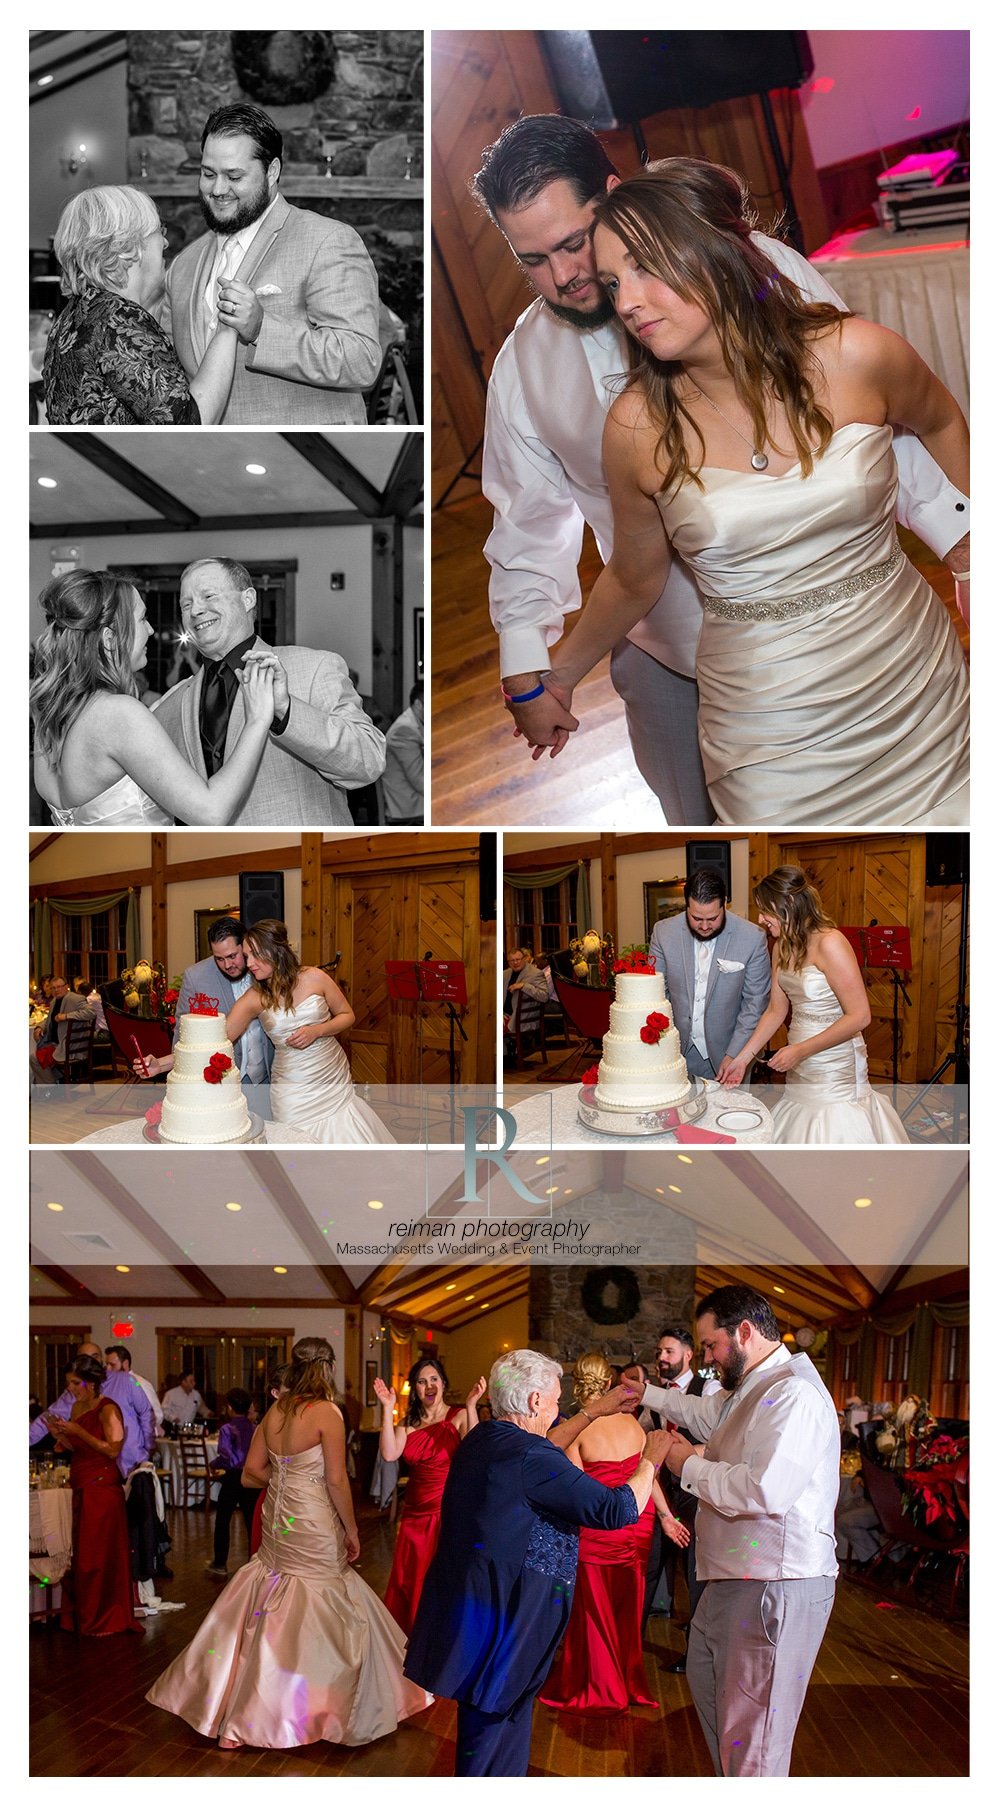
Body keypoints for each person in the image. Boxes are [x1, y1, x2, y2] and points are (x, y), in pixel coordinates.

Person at [473, 117, 971, 824]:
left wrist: (963, 539)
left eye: (572, 243)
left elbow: (862, 409)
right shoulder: (527, 368)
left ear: (616, 198)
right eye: (532, 260)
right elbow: (529, 524)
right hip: (668, 655)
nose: (563, 278)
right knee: (709, 842)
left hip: (865, 643)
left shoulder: (751, 266)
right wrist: (530, 668)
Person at [147, 1336, 431, 1749]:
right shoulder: (326, 1413)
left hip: (279, 1517)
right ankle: (318, 1709)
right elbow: (336, 1480)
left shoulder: (276, 1411)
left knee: (271, 1593)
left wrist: (286, 1483)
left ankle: (241, 1719)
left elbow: (250, 1471)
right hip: (312, 1519)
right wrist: (351, 1530)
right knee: (321, 1601)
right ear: (327, 1367)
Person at [404, 1349, 672, 1776]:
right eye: (552, 1399)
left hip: (478, 1605)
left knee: (499, 1719)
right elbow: (615, 1509)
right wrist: (650, 1461)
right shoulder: (533, 1460)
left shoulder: (488, 1437)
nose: (555, 1407)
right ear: (533, 1402)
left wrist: (591, 1413)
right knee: (492, 1728)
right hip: (507, 1615)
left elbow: (544, 1446)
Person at [642, 1285, 840, 1777]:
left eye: (711, 1345)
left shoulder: (793, 1393)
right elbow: (708, 1414)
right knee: (723, 1712)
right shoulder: (756, 1384)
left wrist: (686, 1461)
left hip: (775, 1583)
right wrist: (640, 1393)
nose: (707, 1358)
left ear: (745, 1332)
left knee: (755, 1736)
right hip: (736, 1577)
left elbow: (765, 1490)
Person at [162, 103, 381, 425]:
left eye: (234, 175)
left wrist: (262, 329)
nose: (218, 189)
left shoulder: (328, 240)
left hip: (307, 454)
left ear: (272, 171)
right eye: (208, 174)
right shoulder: (183, 265)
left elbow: (361, 360)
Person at [30, 570, 278, 826]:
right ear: (110, 639)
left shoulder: (49, 716)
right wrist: (257, 720)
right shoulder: (119, 714)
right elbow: (212, 813)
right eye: (142, 618)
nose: (150, 630)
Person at [152, 558, 386, 826]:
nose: (196, 611)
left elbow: (369, 762)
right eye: (186, 604)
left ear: (249, 598)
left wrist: (286, 710)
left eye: (209, 596)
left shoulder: (314, 668)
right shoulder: (171, 705)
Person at [539, 1352, 688, 1713]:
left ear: (577, 1384)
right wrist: (667, 1516)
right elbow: (647, 1475)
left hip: (598, 1527)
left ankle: (597, 1687)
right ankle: (626, 1682)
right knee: (626, 1605)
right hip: (637, 1525)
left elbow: (576, 1491)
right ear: (608, 1383)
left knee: (594, 1608)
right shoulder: (633, 1425)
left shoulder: (576, 1427)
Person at [722, 865, 910, 1143]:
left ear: (787, 906)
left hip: (835, 1062)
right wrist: (742, 1058)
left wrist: (800, 1050)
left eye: (765, 910)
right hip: (799, 1062)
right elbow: (776, 1010)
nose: (761, 918)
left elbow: (860, 1016)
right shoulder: (780, 947)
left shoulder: (831, 943)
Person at [41, 185, 238, 424]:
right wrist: (228, 325)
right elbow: (190, 424)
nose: (165, 243)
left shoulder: (74, 315)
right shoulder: (117, 318)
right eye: (158, 231)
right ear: (129, 245)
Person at [224, 918, 395, 1144]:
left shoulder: (315, 977)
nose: (250, 963)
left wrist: (318, 1031)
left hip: (330, 1076)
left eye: (255, 955)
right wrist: (165, 1064)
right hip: (291, 1090)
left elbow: (347, 1015)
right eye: (247, 956)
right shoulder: (255, 998)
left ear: (275, 951)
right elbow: (216, 1040)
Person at [374, 1357, 486, 1635]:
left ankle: (442, 1638)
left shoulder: (458, 1415)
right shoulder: (408, 1423)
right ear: (416, 1389)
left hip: (448, 1511)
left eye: (434, 1379)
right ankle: (411, 1638)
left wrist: (472, 1406)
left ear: (443, 1383)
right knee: (413, 1579)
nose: (429, 1386)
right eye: (422, 1382)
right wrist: (388, 1408)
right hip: (414, 1515)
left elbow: (474, 1452)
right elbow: (389, 1454)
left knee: (443, 1577)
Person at [42, 1353, 140, 1637]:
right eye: (69, 1383)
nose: (70, 1388)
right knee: (83, 1556)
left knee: (98, 1558)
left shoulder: (109, 1410)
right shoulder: (76, 1409)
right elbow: (80, 1449)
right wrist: (61, 1436)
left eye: (75, 1382)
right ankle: (85, 1615)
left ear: (91, 1382)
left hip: (102, 1489)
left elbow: (112, 1450)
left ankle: (106, 1617)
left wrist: (78, 1433)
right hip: (81, 1483)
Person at [640, 1329, 722, 1669]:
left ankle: (695, 1655)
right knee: (649, 1565)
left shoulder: (711, 1391)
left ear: (688, 1355)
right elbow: (646, 1433)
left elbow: (721, 1441)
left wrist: (688, 1455)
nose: (662, 1357)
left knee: (694, 1575)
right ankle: (629, 1644)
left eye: (669, 1351)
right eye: (659, 1350)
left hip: (693, 1495)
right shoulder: (658, 1395)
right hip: (662, 1494)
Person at [648, 867, 771, 1082]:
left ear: (725, 902)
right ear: (686, 905)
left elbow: (755, 1003)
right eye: (696, 918)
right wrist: (666, 1046)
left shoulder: (753, 937)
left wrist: (735, 1055)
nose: (704, 926)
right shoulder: (663, 932)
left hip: (730, 1052)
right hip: (675, 1053)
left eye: (713, 918)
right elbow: (656, 992)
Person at [138, 915, 273, 1091]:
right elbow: (185, 1033)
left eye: (233, 956)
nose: (227, 965)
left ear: (245, 946)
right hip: (222, 1082)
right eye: (219, 958)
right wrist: (171, 1066)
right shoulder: (196, 978)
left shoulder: (264, 970)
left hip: (268, 1077)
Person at [31, 1342, 156, 1475]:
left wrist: (148, 1448)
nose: (90, 1362)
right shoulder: (75, 1391)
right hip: (96, 1467)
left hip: (132, 1461)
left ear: (100, 1359)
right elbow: (47, 1418)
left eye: (94, 1357)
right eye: (84, 1359)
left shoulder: (126, 1380)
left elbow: (146, 1413)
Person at [205, 1388, 257, 1578]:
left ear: (229, 1408)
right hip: (251, 1479)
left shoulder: (227, 1429)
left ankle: (220, 1563)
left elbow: (226, 1456)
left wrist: (214, 1463)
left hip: (233, 1477)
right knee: (251, 1521)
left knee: (223, 1520)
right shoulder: (253, 1428)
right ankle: (255, 1561)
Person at [29, 975, 95, 1080]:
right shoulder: (54, 1001)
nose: (56, 990)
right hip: (56, 1043)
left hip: (69, 1046)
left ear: (66, 986)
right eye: (53, 988)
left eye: (59, 986)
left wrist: (66, 1016)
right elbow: (49, 1019)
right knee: (38, 1055)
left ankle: (51, 1089)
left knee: (34, 1058)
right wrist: (39, 1027)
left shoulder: (75, 998)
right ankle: (55, 1084)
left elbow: (91, 1012)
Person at [382, 682, 424, 824]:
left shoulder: (414, 724)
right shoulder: (404, 730)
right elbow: (419, 780)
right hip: (410, 811)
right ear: (418, 704)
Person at [104, 1345, 164, 1434]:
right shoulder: (108, 1385)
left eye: (112, 1365)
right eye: (107, 1365)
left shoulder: (140, 1383)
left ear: (125, 1364)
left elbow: (157, 1415)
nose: (108, 1369)